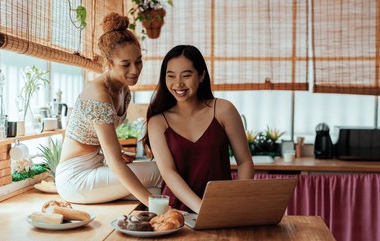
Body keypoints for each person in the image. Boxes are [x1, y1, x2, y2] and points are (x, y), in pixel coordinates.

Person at [55, 13, 162, 206]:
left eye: (138, 61)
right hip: (76, 178)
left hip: (97, 167)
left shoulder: (123, 88)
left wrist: (117, 153)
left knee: (156, 191)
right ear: (109, 63)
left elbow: (104, 144)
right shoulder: (98, 93)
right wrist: (158, 206)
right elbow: (115, 163)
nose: (135, 70)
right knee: (159, 173)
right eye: (125, 64)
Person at [144, 45, 254, 214]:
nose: (178, 83)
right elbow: (168, 172)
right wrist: (202, 209)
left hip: (221, 209)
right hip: (175, 213)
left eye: (186, 75)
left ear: (201, 75)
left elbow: (244, 161)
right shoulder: (158, 122)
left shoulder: (224, 110)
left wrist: (237, 200)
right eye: (171, 76)